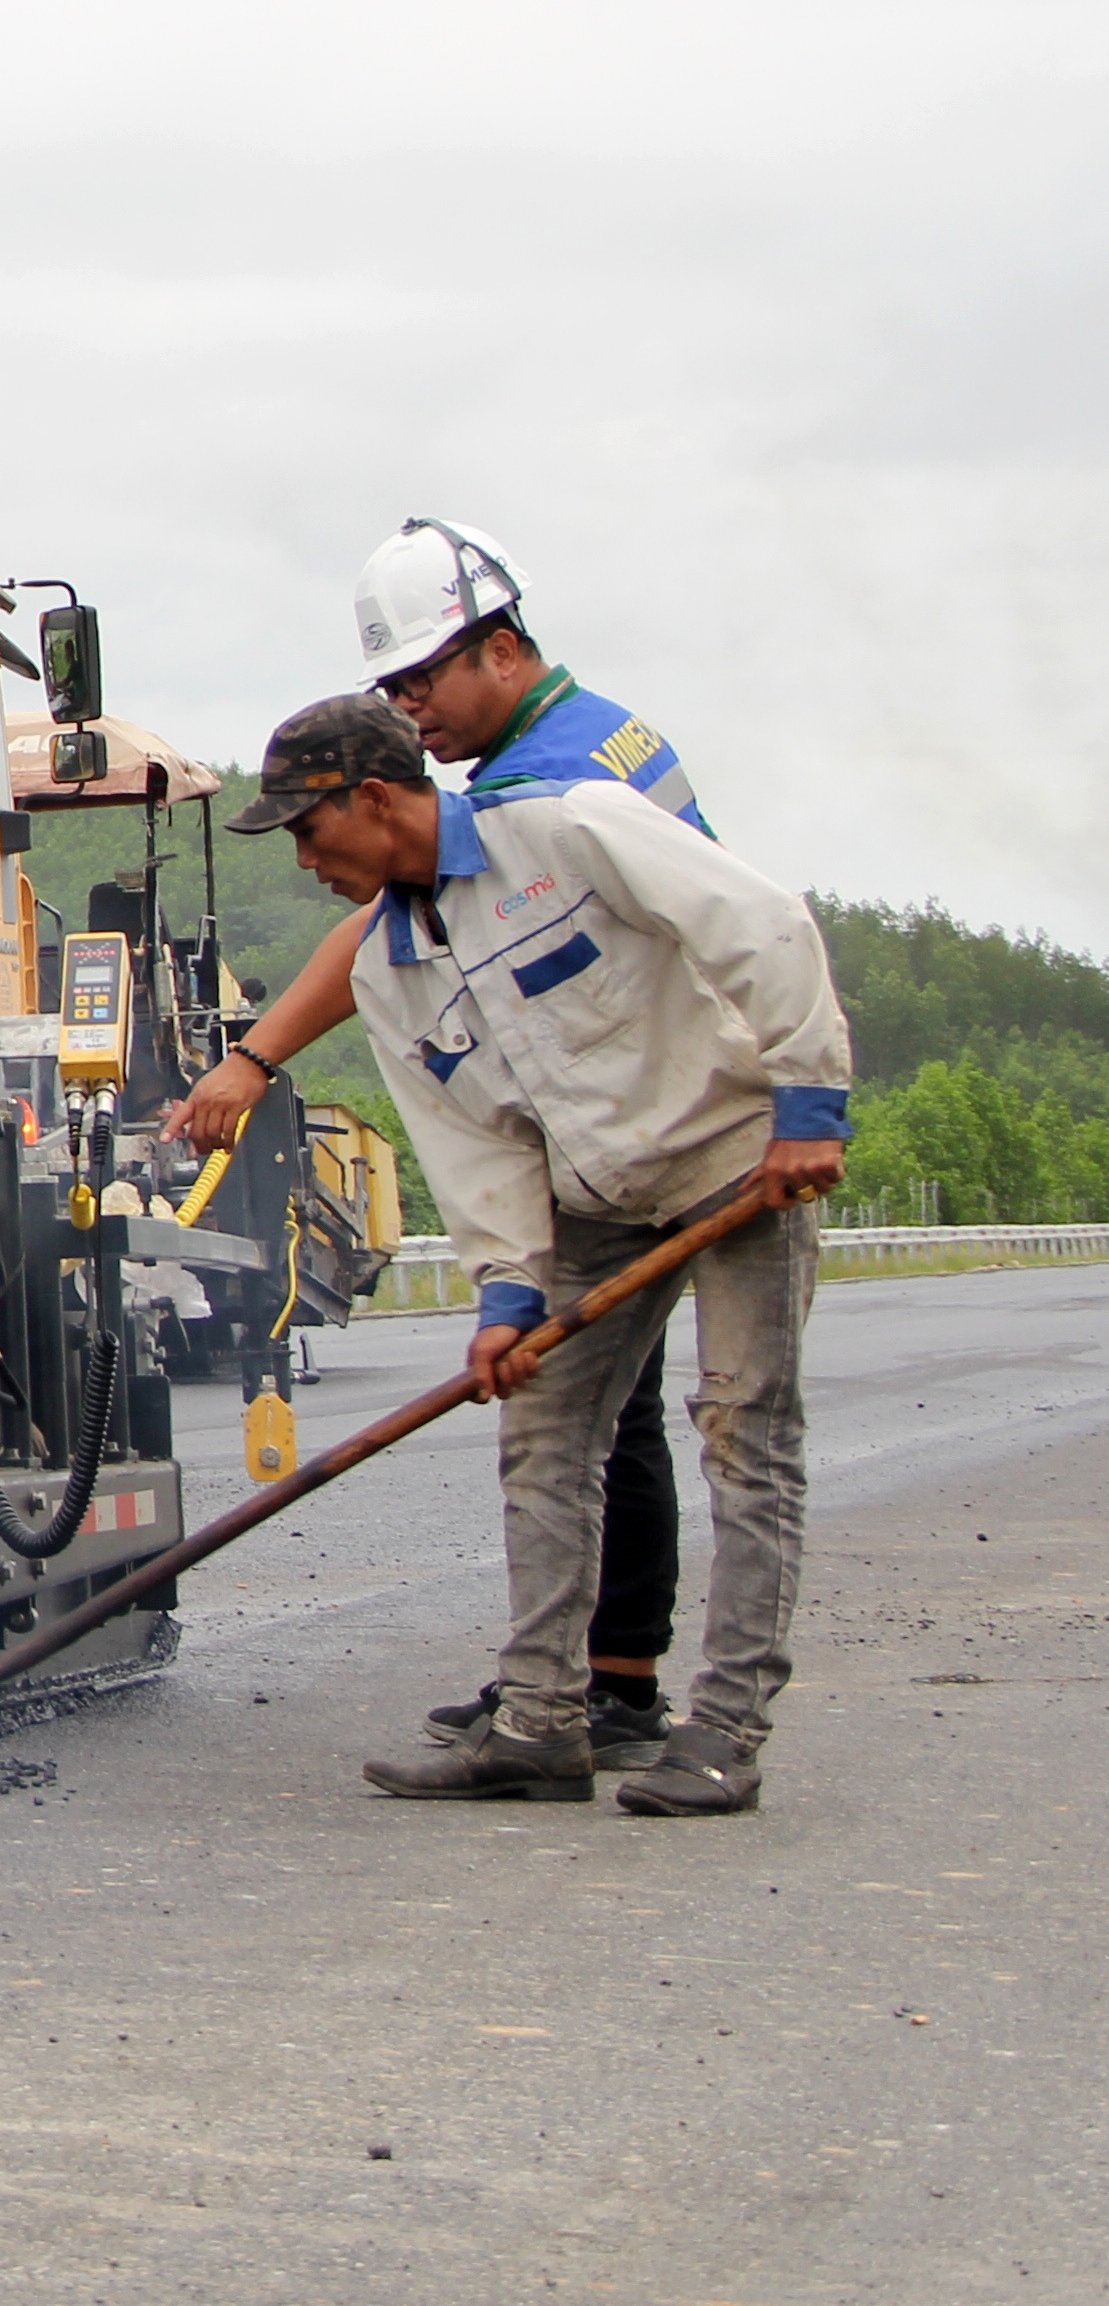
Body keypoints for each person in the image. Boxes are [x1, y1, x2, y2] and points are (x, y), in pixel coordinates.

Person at [224, 693, 849, 1814]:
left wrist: (809, 1101)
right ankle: (540, 1725)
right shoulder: (388, 966)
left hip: (737, 1159)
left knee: (744, 1435)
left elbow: (763, 925)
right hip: (592, 1203)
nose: (305, 860)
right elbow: (474, 1141)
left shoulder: (568, 829)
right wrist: (506, 1291)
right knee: (544, 1434)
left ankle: (724, 1729)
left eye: (309, 831)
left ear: (374, 798)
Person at [167, 520, 700, 1763]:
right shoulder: (587, 735)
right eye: (394, 691)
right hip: (625, 1103)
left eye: (418, 684)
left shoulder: (544, 788)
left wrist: (250, 1061)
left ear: (499, 648)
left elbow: (386, 931)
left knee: (595, 1417)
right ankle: (582, 1684)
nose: (412, 712)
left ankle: (604, 1693)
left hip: (639, 1118)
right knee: (606, 1417)